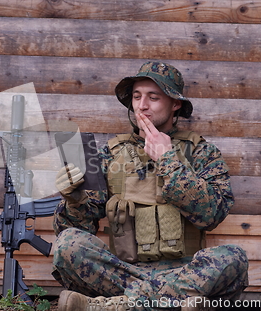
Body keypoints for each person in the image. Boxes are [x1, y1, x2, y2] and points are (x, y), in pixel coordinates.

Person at [52, 61, 249, 311]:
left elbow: (211, 214)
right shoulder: (108, 154)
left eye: (153, 97)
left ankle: (116, 306)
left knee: (234, 258)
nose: (142, 106)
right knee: (68, 243)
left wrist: (168, 159)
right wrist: (74, 199)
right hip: (124, 272)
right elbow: (78, 227)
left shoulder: (201, 152)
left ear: (175, 104)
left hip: (186, 270)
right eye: (136, 97)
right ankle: (170, 303)